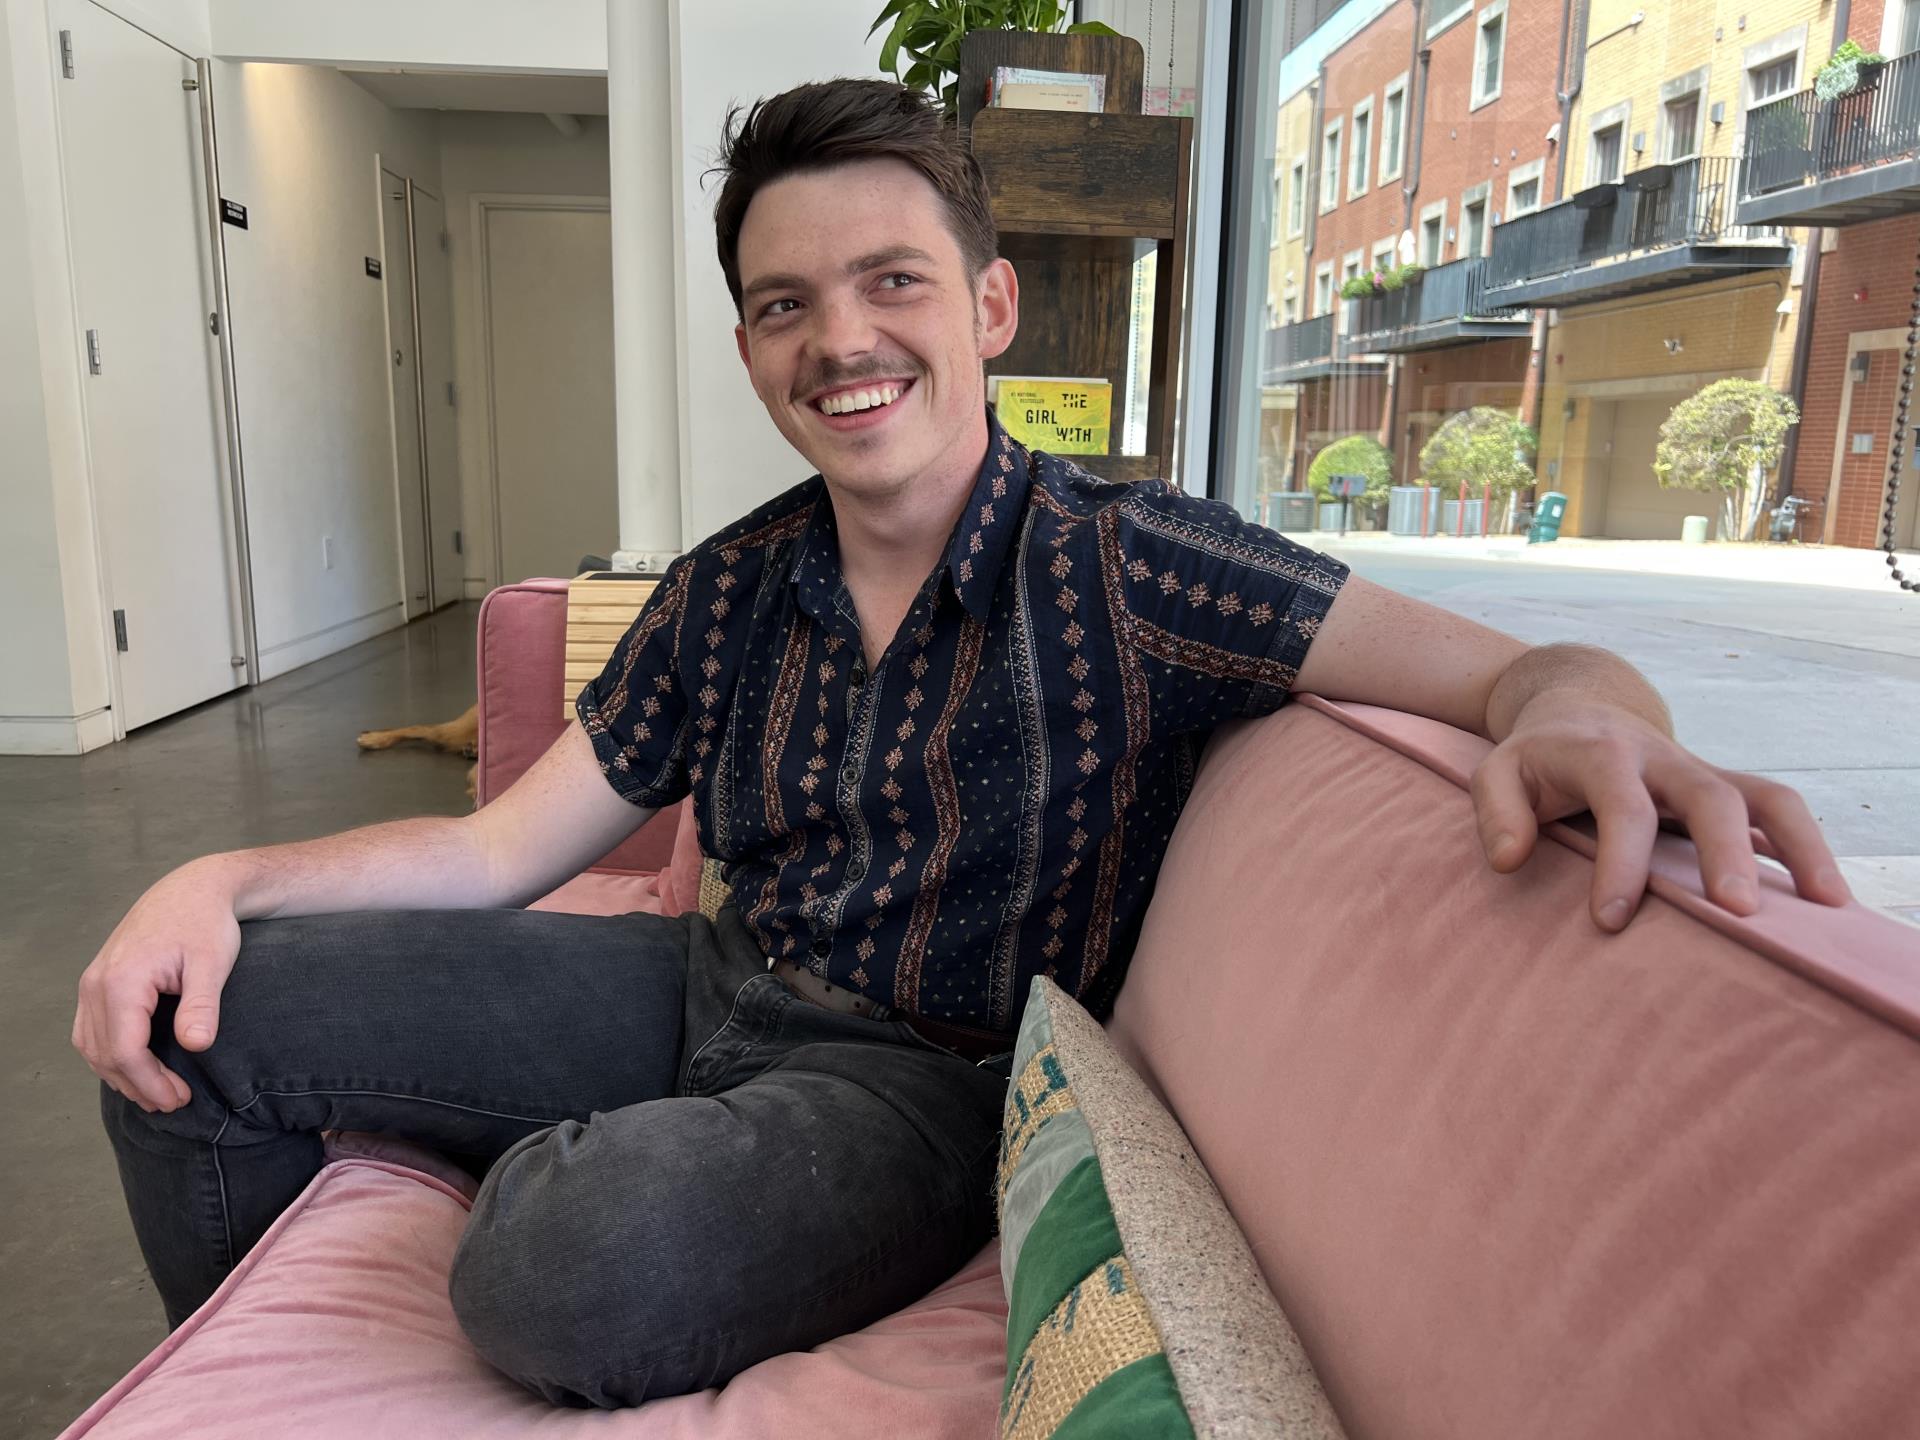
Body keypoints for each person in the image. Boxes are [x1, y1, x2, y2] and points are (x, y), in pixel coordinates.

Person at [74, 79, 1850, 1409]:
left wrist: (1599, 726)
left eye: (891, 281)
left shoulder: (1134, 562)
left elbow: (1529, 672)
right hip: (698, 991)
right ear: (755, 343)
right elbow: (491, 853)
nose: (842, 338)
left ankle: (549, 1185)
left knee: (567, 1269)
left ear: (987, 309)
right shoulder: (732, 584)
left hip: (911, 1090)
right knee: (208, 1009)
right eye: (785, 303)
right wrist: (218, 876)